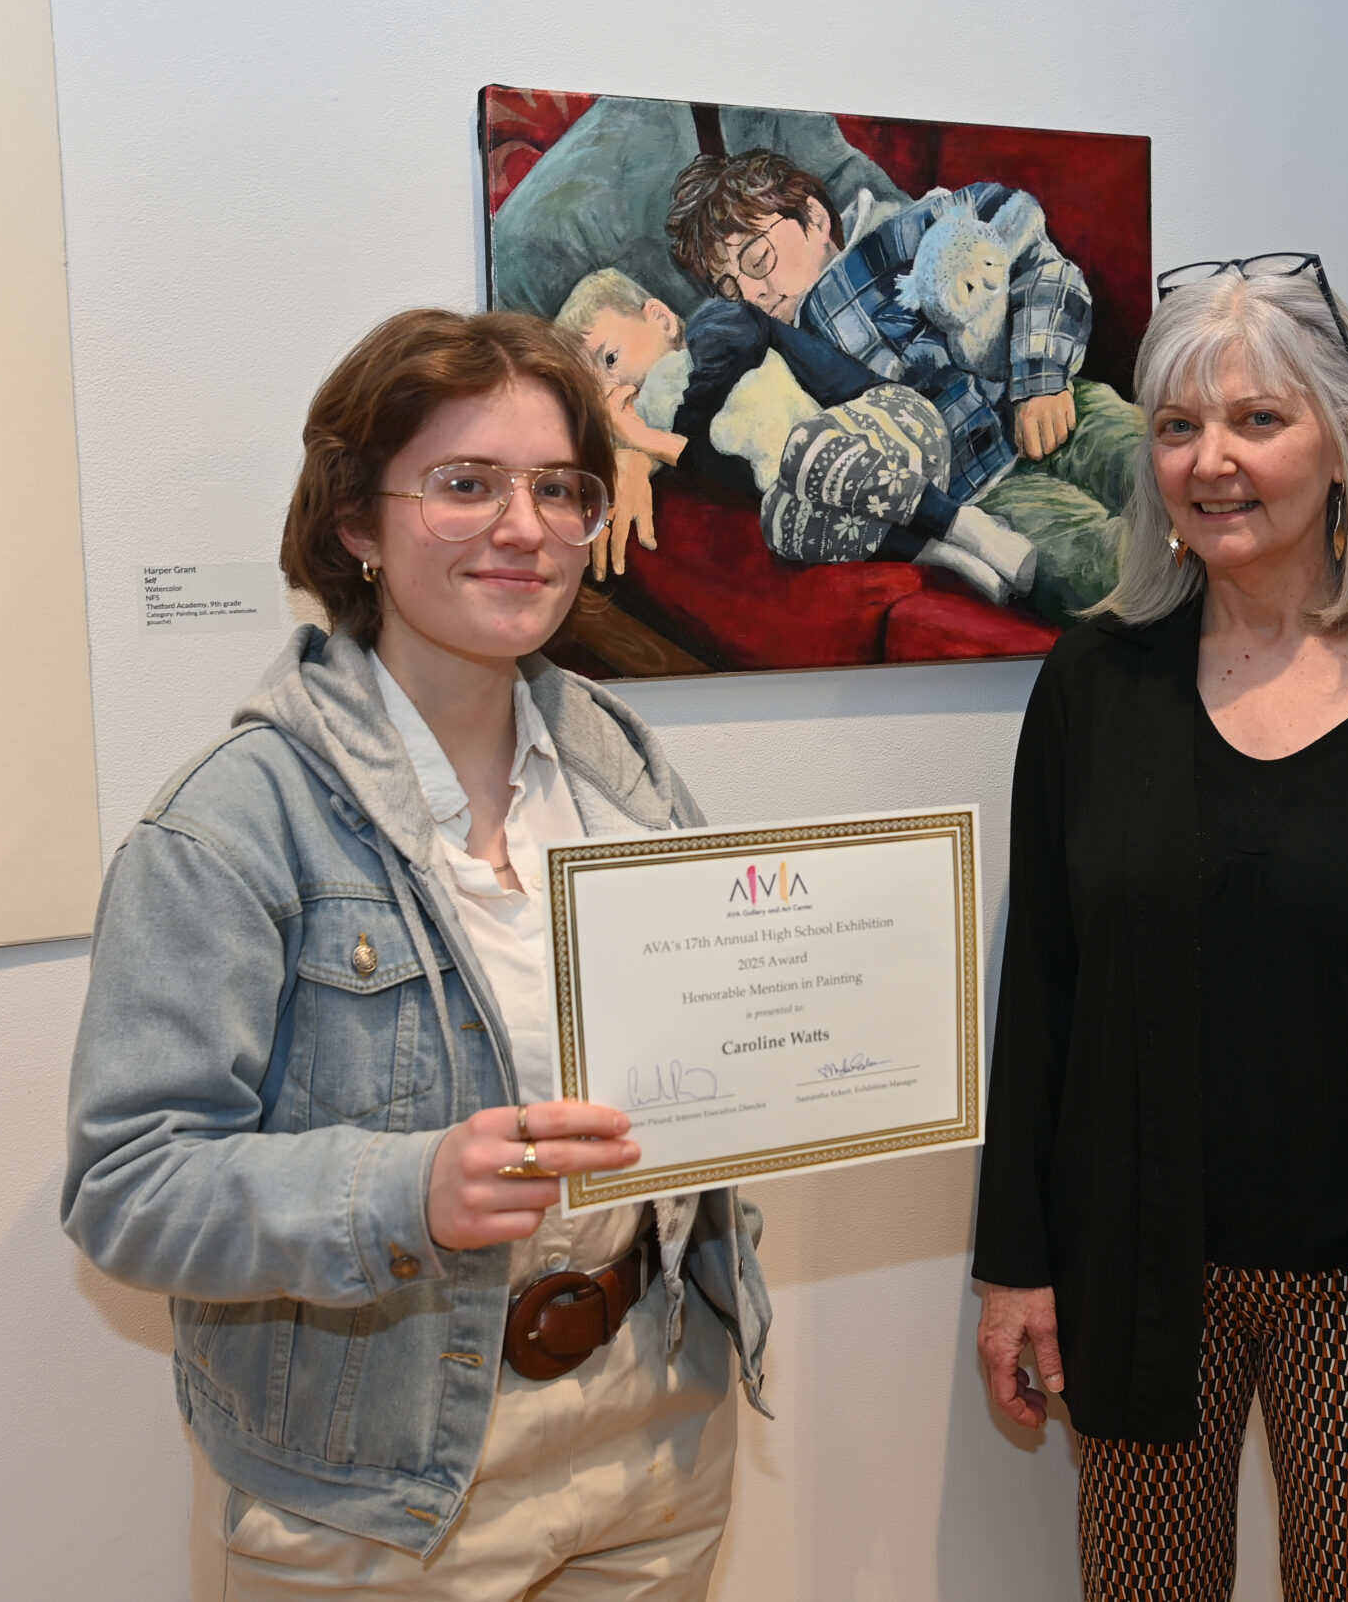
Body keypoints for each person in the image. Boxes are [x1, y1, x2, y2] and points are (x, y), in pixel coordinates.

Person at [62, 309, 769, 1601]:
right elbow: (129, 1185)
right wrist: (401, 1188)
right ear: (354, 526)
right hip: (386, 1485)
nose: (526, 525)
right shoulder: (230, 824)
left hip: (654, 1431)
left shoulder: (625, 770)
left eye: (561, 488)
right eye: (465, 484)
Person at [971, 256, 1348, 1602]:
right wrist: (1013, 1262)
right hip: (1136, 1260)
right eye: (1178, 424)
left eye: (1258, 418)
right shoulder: (1093, 685)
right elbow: (1044, 1000)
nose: (1211, 461)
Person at [663, 150, 1146, 622]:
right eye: (727, 286)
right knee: (1108, 569)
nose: (750, 293)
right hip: (982, 489)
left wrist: (1041, 377)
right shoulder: (774, 357)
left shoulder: (902, 231)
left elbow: (1028, 253)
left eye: (755, 258)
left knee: (1156, 467)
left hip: (1058, 402)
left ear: (813, 217)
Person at [556, 267, 1038, 602]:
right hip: (848, 485)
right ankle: (947, 554)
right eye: (595, 393)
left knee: (800, 448)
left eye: (610, 359)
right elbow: (745, 477)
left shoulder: (712, 328)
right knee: (779, 519)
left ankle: (962, 523)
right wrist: (642, 441)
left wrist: (652, 439)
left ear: (660, 318)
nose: (615, 389)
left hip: (898, 422)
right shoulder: (673, 422)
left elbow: (741, 348)